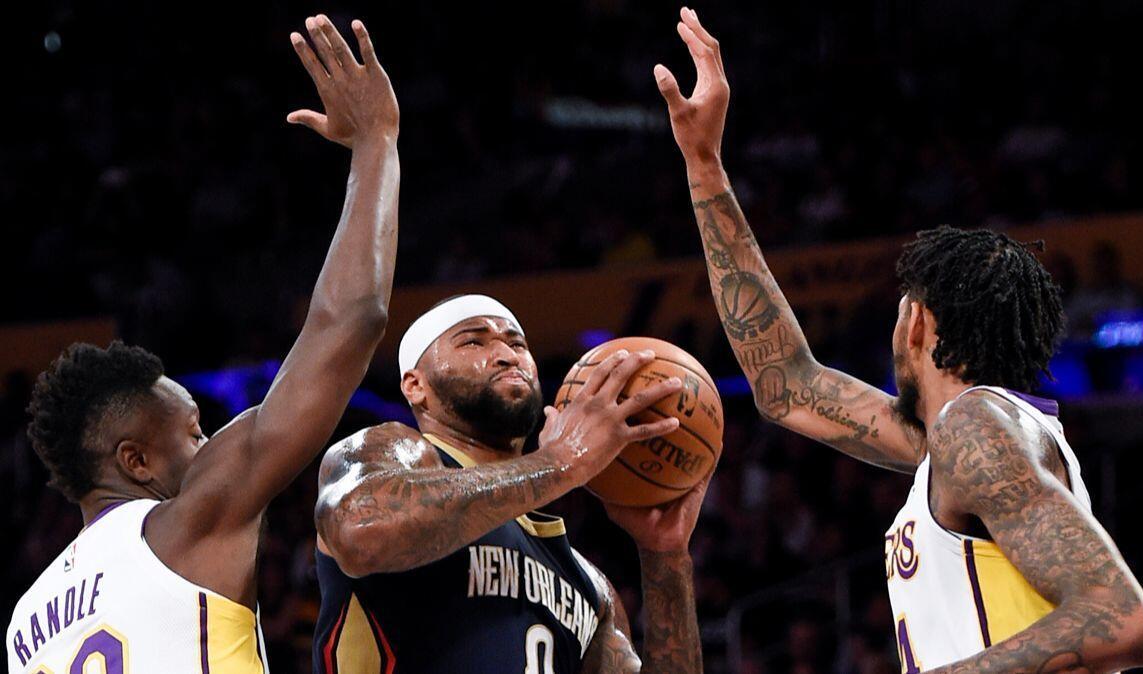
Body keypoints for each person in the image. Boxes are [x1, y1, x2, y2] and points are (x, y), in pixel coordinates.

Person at [653, 7, 1143, 673]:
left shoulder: (974, 428)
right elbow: (786, 385)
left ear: (918, 322)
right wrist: (703, 164)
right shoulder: (955, 444)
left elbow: (1121, 618)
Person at [7, 15, 400, 673]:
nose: (208, 443)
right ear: (135, 461)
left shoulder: (23, 622)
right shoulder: (188, 523)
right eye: (192, 434)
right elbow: (350, 320)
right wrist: (376, 144)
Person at [313, 294, 709, 673]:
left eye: (517, 343)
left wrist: (665, 555)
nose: (506, 354)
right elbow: (360, 530)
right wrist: (559, 463)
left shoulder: (590, 586)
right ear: (416, 386)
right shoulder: (394, 450)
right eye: (473, 341)